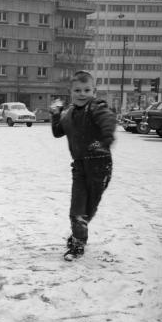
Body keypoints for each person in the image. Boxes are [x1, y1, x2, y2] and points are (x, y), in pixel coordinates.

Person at [51, 70, 117, 261]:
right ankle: (78, 243)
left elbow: (108, 119)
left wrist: (105, 139)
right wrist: (56, 114)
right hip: (79, 166)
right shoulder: (69, 113)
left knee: (89, 208)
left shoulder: (96, 107)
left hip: (100, 165)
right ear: (71, 91)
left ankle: (78, 234)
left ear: (94, 91)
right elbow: (57, 132)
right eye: (78, 90)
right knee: (77, 208)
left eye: (87, 89)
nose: (82, 94)